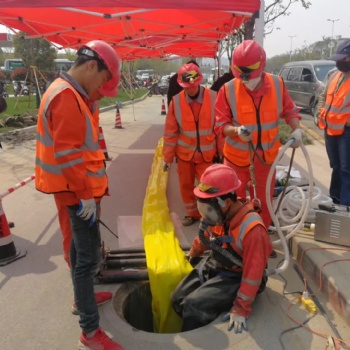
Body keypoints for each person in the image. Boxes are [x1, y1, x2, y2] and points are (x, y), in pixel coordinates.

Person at [35, 40, 124, 350]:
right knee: (86, 261)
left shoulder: (71, 93)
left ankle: (81, 298)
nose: (101, 86)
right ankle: (90, 331)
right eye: (102, 79)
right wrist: (86, 194)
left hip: (75, 189)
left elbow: (81, 147)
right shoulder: (66, 97)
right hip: (76, 192)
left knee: (78, 253)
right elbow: (70, 154)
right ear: (91, 66)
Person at [214, 40, 302, 236]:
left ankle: (260, 240)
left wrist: (297, 130)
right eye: (241, 76)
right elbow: (220, 125)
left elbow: (290, 111)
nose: (245, 80)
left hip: (265, 162)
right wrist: (235, 131)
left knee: (263, 203)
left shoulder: (277, 85)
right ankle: (232, 241)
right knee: (230, 204)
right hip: (235, 161)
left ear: (262, 66)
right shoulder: (227, 90)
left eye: (248, 75)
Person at [171, 164, 272, 332]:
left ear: (225, 202)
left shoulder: (253, 230)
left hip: (238, 276)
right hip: (218, 264)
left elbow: (253, 274)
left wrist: (241, 308)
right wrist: (193, 253)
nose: (205, 214)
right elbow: (204, 238)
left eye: (208, 208)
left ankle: (198, 334)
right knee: (177, 298)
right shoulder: (219, 215)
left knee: (193, 307)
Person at [163, 62, 223, 226]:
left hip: (207, 155)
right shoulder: (176, 102)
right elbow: (170, 133)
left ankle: (208, 214)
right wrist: (167, 158)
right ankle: (192, 213)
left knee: (208, 186)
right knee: (186, 185)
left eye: (193, 86)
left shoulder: (213, 97)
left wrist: (222, 153)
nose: (190, 89)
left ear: (199, 81)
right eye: (187, 86)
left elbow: (219, 128)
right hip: (185, 155)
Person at [317, 39, 350, 206]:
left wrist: (344, 121)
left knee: (346, 170)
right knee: (336, 166)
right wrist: (319, 113)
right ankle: (335, 199)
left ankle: (345, 206)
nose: (339, 62)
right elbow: (323, 96)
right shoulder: (334, 76)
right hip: (329, 129)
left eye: (344, 59)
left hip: (346, 132)